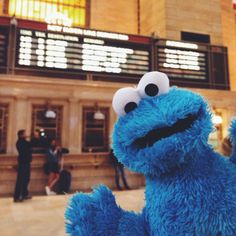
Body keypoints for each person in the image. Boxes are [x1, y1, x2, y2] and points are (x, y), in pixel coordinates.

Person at [13, 129, 32, 202]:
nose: (26, 135)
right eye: (24, 134)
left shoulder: (23, 142)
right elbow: (29, 145)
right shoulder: (20, 142)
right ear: (21, 135)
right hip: (23, 163)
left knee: (26, 179)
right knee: (20, 180)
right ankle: (17, 196)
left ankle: (24, 194)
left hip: (26, 162)